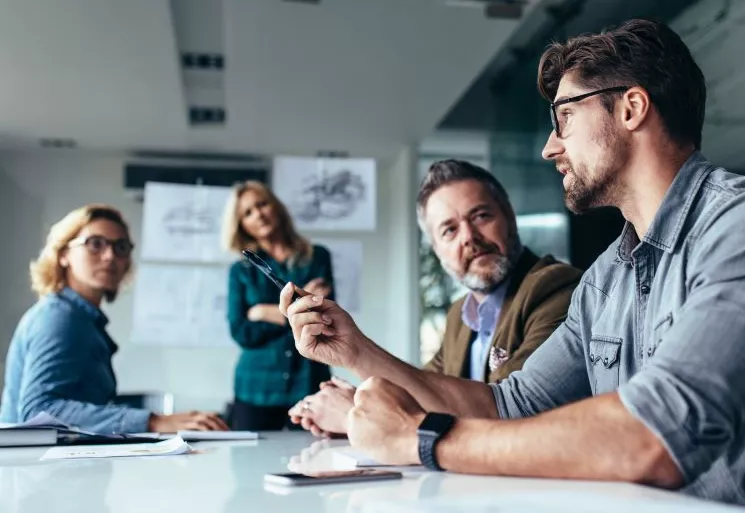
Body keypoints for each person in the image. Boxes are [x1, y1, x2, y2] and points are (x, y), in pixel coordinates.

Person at [280, 19, 745, 513]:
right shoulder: (606, 278)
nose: (550, 145)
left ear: (631, 108)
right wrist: (355, 352)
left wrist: (422, 440)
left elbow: (656, 435)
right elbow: (507, 405)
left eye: (565, 117)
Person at [288, 160, 582, 435]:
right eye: (449, 230)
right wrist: (358, 402)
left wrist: (354, 414)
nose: (468, 236)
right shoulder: (460, 315)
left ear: (509, 218)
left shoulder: (556, 288)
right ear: (437, 250)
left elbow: (507, 412)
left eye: (481, 216)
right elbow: (423, 393)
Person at [0, 204, 227, 433]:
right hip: (35, 466)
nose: (110, 256)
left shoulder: (83, 319)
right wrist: (152, 421)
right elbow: (39, 411)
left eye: (120, 247)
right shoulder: (59, 317)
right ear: (63, 254)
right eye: (95, 244)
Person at [223, 181, 334, 431]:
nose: (258, 214)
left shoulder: (317, 257)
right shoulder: (240, 271)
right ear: (241, 225)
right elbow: (241, 332)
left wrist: (262, 312)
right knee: (249, 465)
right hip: (256, 388)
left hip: (308, 382)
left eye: (262, 204)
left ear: (276, 207)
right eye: (247, 213)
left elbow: (322, 318)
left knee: (313, 460)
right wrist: (295, 312)